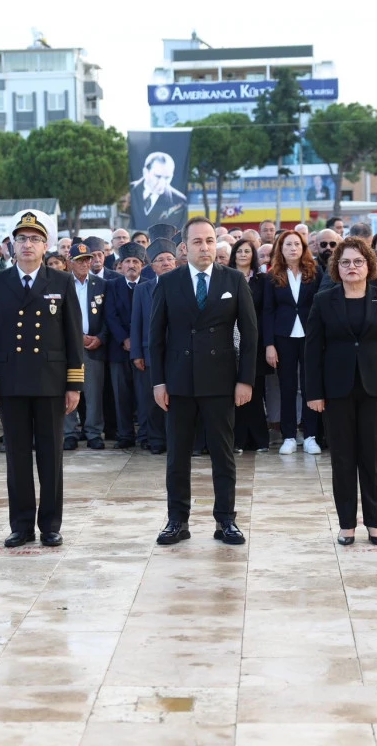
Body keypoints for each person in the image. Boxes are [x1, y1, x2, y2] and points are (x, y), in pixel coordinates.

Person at [0, 211, 84, 548]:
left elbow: (71, 336)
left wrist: (74, 384)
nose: (28, 244)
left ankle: (50, 524)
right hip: (10, 381)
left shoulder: (61, 282)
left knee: (51, 456)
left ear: (46, 246)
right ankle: (21, 525)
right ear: (12, 245)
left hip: (51, 381)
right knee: (18, 456)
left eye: (35, 239)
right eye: (22, 239)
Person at [150, 217, 257, 546]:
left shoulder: (234, 280)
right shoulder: (169, 282)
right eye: (197, 242)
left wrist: (245, 381)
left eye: (210, 241)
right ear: (185, 247)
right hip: (179, 380)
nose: (205, 247)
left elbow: (250, 334)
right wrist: (158, 382)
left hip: (220, 380)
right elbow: (155, 337)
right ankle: (176, 520)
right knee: (177, 455)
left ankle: (226, 520)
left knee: (223, 454)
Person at [305, 238, 377, 546]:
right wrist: (314, 392)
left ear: (369, 266)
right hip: (336, 390)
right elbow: (312, 350)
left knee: (373, 458)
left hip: (376, 388)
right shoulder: (324, 300)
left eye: (358, 262)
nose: (352, 267)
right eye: (346, 262)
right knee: (343, 459)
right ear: (337, 267)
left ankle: (375, 523)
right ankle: (347, 524)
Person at [263, 230, 321, 455]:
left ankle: (310, 436)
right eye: (288, 244)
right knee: (287, 387)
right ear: (281, 248)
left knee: (310, 386)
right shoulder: (272, 276)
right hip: (283, 337)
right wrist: (269, 344)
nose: (293, 248)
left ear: (304, 247)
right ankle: (288, 436)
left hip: (309, 337)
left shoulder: (314, 273)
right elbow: (267, 311)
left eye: (297, 244)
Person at [131, 239, 177, 455]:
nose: (166, 263)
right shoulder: (143, 289)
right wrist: (137, 353)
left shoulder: (184, 284)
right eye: (160, 260)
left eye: (169, 259)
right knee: (152, 399)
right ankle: (157, 439)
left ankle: (177, 440)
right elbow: (136, 322)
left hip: (178, 353)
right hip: (150, 353)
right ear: (152, 266)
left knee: (178, 398)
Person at [63, 242, 108, 451]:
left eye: (88, 259)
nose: (85, 263)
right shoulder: (61, 283)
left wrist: (100, 337)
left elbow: (110, 316)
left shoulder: (101, 284)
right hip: (67, 347)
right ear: (69, 262)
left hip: (94, 346)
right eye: (80, 260)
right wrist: (76, 337)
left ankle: (93, 432)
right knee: (68, 389)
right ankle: (69, 432)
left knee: (94, 392)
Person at [230, 238, 270, 453]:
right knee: (234, 391)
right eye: (239, 251)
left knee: (255, 391)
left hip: (256, 342)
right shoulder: (224, 277)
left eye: (247, 251)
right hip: (229, 341)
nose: (243, 254)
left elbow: (266, 311)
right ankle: (238, 440)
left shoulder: (263, 280)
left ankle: (259, 440)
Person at [107, 242, 147, 449]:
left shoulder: (149, 285)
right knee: (121, 395)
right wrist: (124, 339)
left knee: (144, 394)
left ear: (142, 265)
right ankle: (125, 435)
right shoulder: (112, 286)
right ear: (121, 266)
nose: (131, 265)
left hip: (143, 350)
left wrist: (137, 341)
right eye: (127, 262)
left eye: (135, 262)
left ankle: (146, 435)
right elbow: (110, 316)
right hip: (118, 350)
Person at [129, 152, 189, 228]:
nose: (162, 183)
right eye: (158, 176)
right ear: (145, 172)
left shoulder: (180, 201)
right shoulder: (129, 191)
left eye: (167, 178)